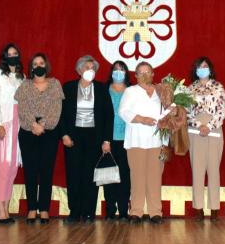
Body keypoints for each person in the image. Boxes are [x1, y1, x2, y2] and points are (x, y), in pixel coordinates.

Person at [60, 55, 114, 223]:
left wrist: (106, 140)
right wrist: (64, 134)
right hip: (73, 136)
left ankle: (89, 211)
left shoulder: (101, 89)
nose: (90, 71)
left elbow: (108, 115)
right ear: (79, 70)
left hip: (94, 136)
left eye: (93, 68)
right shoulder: (68, 87)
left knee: (91, 175)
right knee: (74, 173)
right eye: (86, 67)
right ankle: (75, 211)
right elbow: (60, 113)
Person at [15, 53, 64, 224]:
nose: (38, 66)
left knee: (46, 171)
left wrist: (42, 124)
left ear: (46, 65)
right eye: (35, 63)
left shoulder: (55, 84)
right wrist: (33, 125)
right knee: (30, 171)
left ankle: (44, 209)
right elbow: (22, 109)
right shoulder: (25, 85)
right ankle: (31, 209)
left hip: (49, 131)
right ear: (31, 67)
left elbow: (57, 108)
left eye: (41, 62)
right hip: (28, 131)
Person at [118, 62, 170, 224]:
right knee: (137, 176)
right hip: (136, 140)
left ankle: (155, 212)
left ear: (153, 74)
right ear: (136, 75)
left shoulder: (162, 92)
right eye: (141, 72)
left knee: (155, 177)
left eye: (148, 71)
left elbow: (167, 117)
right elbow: (123, 111)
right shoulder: (130, 91)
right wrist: (142, 119)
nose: (145, 74)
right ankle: (136, 211)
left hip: (156, 140)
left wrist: (165, 142)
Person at [187, 57, 225, 221]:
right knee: (197, 170)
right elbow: (185, 111)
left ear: (210, 69)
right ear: (195, 70)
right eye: (199, 67)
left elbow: (222, 110)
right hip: (195, 130)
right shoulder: (190, 88)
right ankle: (198, 208)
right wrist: (198, 125)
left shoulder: (218, 87)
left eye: (205, 67)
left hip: (214, 129)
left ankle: (214, 208)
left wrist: (209, 126)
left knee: (213, 170)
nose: (202, 69)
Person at [0, 43, 24, 224]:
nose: (12, 56)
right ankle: (0, 208)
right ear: (4, 57)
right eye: (9, 54)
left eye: (15, 53)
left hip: (18, 125)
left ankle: (7, 207)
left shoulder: (21, 77)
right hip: (4, 123)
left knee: (12, 168)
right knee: (3, 166)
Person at [102, 61, 131, 221]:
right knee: (109, 176)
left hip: (127, 139)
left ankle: (124, 211)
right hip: (109, 140)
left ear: (126, 73)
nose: (118, 72)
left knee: (124, 177)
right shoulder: (104, 90)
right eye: (115, 70)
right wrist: (104, 140)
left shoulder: (132, 91)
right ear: (111, 72)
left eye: (122, 70)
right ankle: (110, 210)